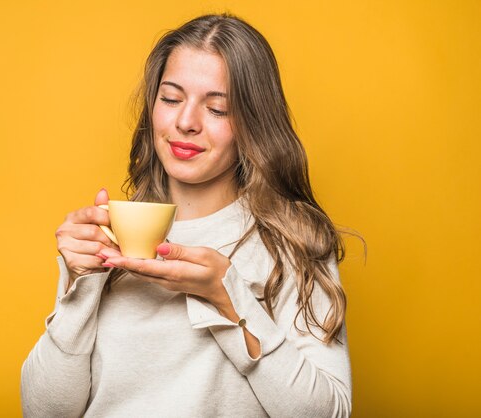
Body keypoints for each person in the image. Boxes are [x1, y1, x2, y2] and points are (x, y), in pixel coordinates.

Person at [21, 13, 352, 417]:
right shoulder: (110, 239)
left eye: (217, 109)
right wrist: (80, 284)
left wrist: (228, 301)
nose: (185, 122)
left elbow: (329, 413)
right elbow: (44, 412)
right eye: (172, 99)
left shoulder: (292, 241)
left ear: (254, 122)